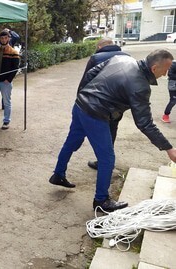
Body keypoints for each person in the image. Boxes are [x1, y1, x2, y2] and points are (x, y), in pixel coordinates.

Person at [49, 49, 176, 212]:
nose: (165, 75)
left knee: (71, 143)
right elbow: (144, 123)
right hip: (95, 115)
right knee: (107, 158)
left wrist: (83, 95)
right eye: (165, 70)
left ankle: (58, 174)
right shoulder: (140, 86)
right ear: (154, 68)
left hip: (80, 105)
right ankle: (101, 200)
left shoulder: (121, 59)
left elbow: (90, 74)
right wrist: (168, 148)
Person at [78, 37, 130, 170]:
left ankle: (103, 161)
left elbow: (86, 80)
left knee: (97, 132)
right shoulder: (128, 57)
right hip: (118, 104)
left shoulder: (96, 58)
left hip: (98, 103)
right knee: (112, 130)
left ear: (100, 47)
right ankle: (107, 160)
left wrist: (79, 99)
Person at [0, 27, 20, 110]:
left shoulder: (9, 42)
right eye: (2, 37)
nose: (4, 39)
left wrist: (10, 31)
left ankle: (3, 106)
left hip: (6, 67)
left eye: (6, 37)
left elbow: (17, 37)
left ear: (8, 38)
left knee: (4, 91)